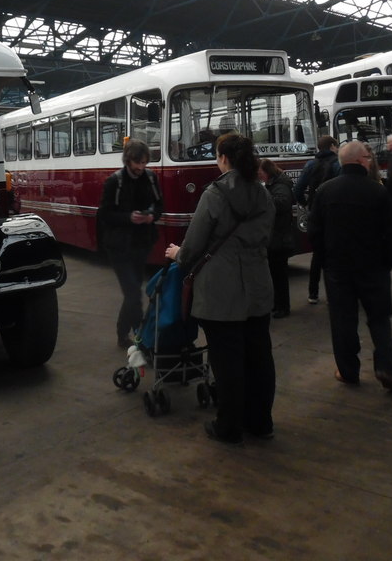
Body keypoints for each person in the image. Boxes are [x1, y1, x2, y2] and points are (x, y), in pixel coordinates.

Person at [165, 133, 276, 444]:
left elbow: (196, 242)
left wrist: (178, 255)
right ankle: (261, 422)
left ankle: (228, 427)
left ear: (224, 158)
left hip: (220, 291)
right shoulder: (262, 192)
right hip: (257, 285)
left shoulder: (215, 194)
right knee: (259, 358)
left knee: (227, 363)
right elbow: (266, 236)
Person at [308, 140, 392, 392]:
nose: (371, 160)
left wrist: (326, 259)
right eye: (368, 156)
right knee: (380, 319)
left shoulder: (325, 191)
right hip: (374, 267)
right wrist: (388, 261)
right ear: (361, 160)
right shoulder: (378, 192)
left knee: (343, 321)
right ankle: (385, 367)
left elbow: (314, 232)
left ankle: (348, 371)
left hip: (338, 269)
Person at [98, 138, 163, 348]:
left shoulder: (151, 178)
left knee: (132, 293)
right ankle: (140, 338)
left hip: (141, 243)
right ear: (128, 160)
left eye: (144, 163)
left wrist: (151, 216)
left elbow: (160, 205)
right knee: (134, 293)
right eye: (137, 163)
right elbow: (104, 215)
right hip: (119, 246)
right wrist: (128, 218)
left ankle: (122, 335)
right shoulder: (114, 182)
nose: (141, 168)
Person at [293, 135, 340, 305]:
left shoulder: (310, 164)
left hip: (315, 213)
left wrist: (307, 205)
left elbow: (297, 189)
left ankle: (313, 293)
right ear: (333, 146)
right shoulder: (337, 164)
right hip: (334, 214)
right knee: (334, 255)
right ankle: (334, 293)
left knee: (317, 255)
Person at [259, 158, 295, 319]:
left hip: (279, 237)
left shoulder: (280, 185)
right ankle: (277, 304)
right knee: (275, 273)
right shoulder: (275, 184)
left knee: (279, 274)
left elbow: (282, 204)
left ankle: (283, 306)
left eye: (260, 173)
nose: (259, 177)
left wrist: (263, 196)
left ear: (267, 172)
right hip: (276, 236)